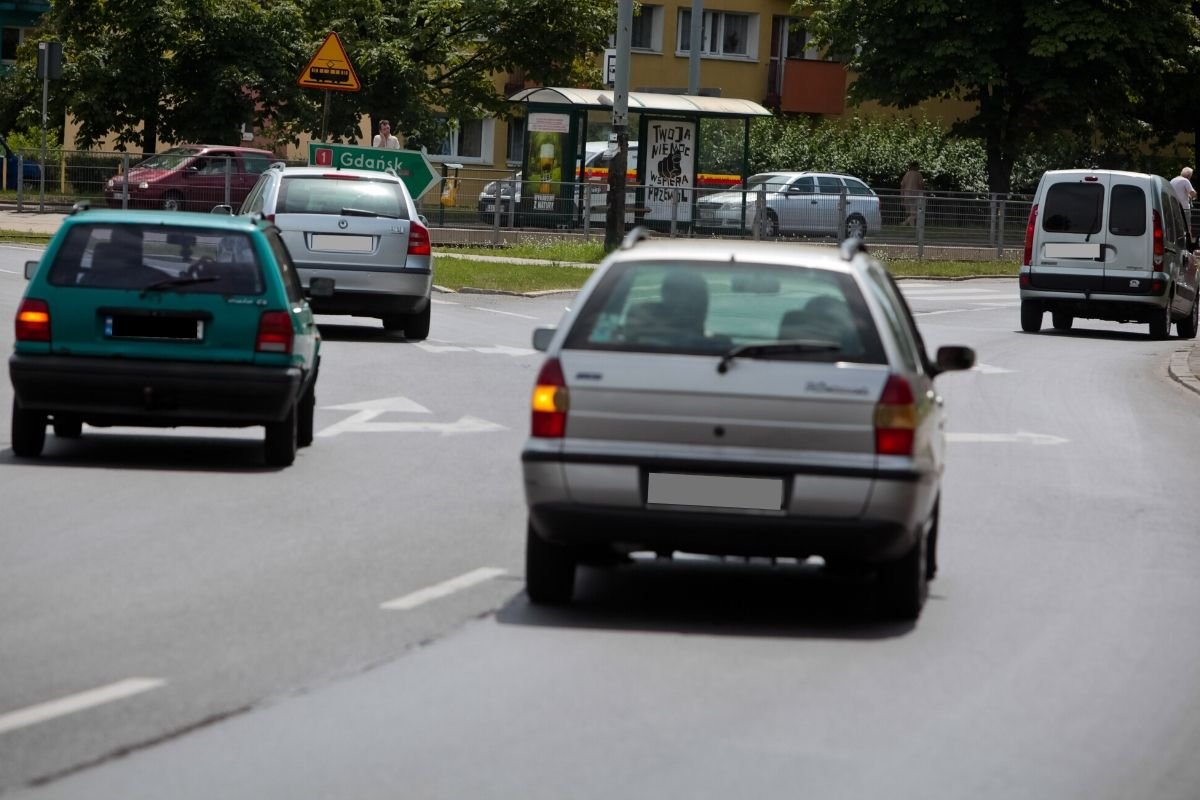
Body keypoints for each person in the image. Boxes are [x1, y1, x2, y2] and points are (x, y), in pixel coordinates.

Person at [1171, 167, 1195, 233]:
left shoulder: (1173, 180)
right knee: (1187, 227)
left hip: (1174, 208)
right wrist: (1194, 194)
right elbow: (1192, 193)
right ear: (1188, 175)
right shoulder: (1185, 181)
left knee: (1176, 227)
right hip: (1184, 209)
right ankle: (1188, 242)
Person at [900, 160, 925, 226]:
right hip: (915, 195)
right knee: (915, 213)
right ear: (915, 166)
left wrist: (901, 196)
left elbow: (902, 185)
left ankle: (911, 226)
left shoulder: (907, 174)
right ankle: (905, 223)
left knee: (908, 212)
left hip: (906, 195)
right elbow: (921, 185)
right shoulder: (918, 174)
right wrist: (922, 194)